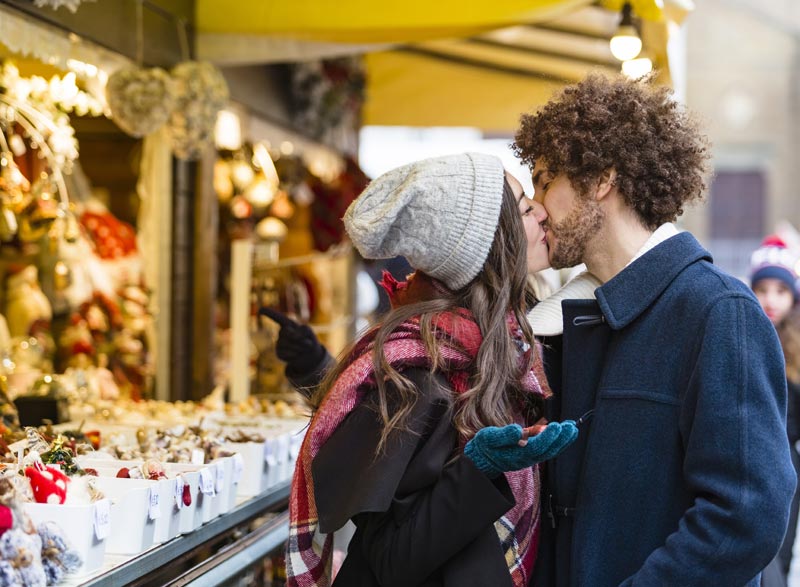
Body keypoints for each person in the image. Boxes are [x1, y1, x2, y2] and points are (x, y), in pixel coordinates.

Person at [512, 73, 796, 586]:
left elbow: (745, 517)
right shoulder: (565, 318)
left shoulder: (720, 312)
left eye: (545, 180)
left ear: (601, 180)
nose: (535, 203)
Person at [284, 152, 577, 587]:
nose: (540, 210)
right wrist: (479, 467)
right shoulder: (417, 367)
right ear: (488, 245)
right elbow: (391, 558)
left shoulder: (504, 345)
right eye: (522, 208)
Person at [750, 235, 800, 580]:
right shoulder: (744, 335)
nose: (770, 299)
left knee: (780, 552)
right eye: (763, 289)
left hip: (787, 465)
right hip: (748, 459)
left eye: (780, 291)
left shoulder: (797, 349)